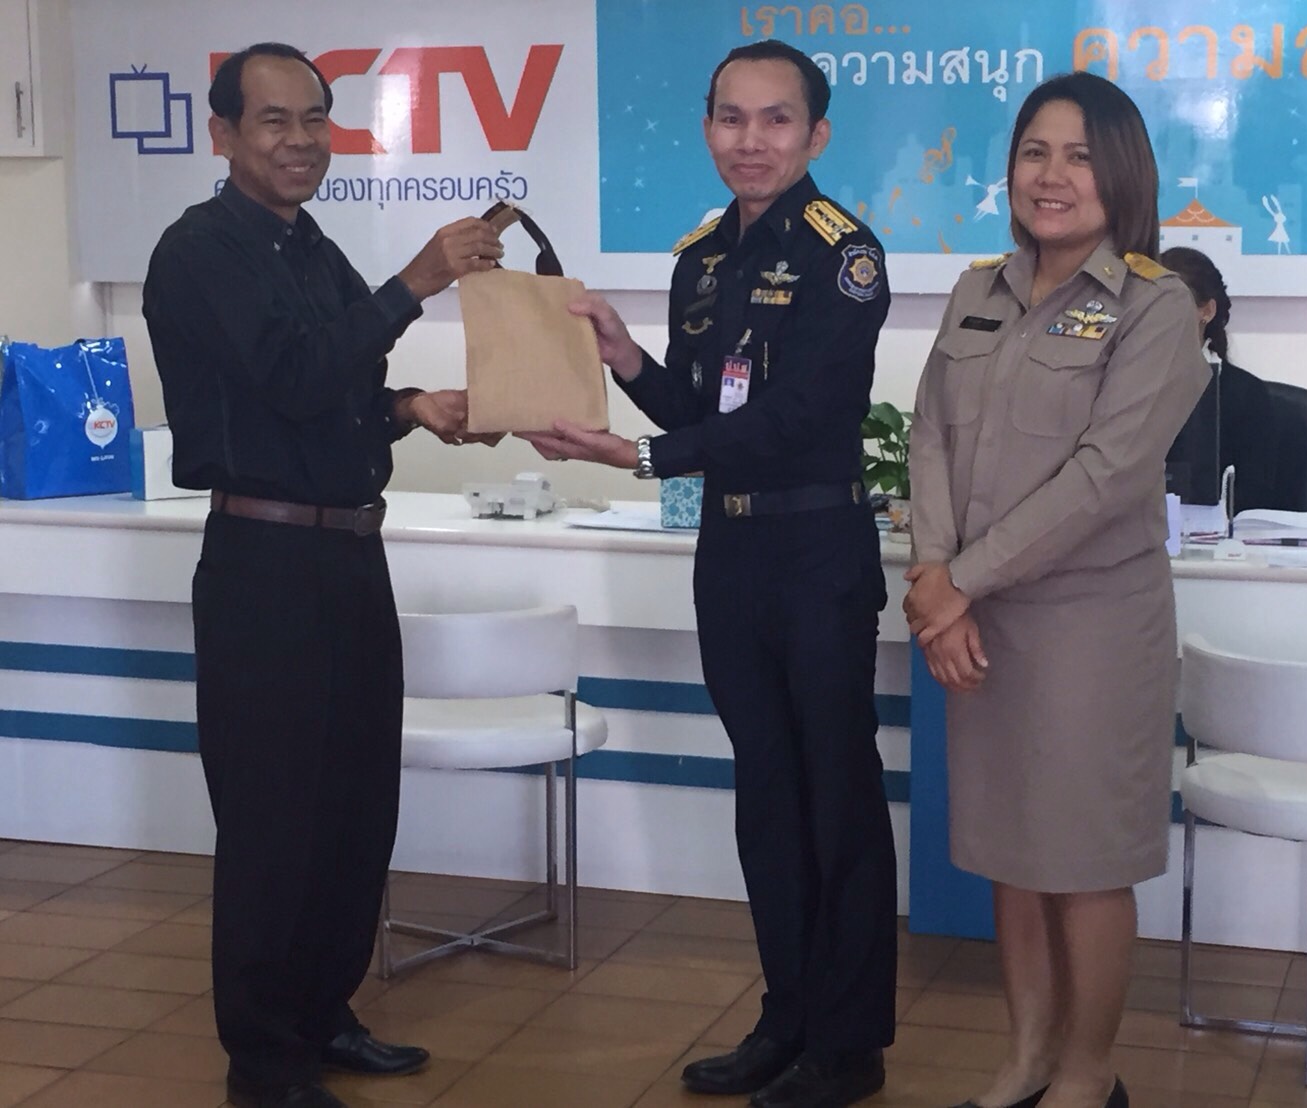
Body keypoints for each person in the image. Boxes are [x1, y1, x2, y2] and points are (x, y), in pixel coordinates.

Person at [521, 39, 896, 1108]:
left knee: (835, 797)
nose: (751, 140)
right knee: (766, 794)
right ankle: (786, 1019)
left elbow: (795, 420)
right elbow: (704, 410)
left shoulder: (843, 256)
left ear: (816, 135)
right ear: (705, 128)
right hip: (730, 558)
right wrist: (624, 358)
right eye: (731, 118)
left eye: (776, 119)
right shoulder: (700, 259)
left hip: (817, 554)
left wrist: (638, 457)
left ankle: (847, 1046)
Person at [141, 42, 504, 1108]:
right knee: (274, 819)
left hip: (347, 554)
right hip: (264, 566)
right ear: (222, 134)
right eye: (274, 121)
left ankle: (322, 1011)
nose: (300, 142)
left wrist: (412, 408)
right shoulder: (199, 250)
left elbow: (340, 387)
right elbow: (291, 376)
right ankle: (265, 1061)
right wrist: (416, 281)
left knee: (354, 802)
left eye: (314, 119)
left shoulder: (309, 245)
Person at [903, 72, 1209, 1108]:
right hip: (980, 617)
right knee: (1012, 851)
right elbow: (930, 436)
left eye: (1078, 156)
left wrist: (956, 583)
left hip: (1090, 625)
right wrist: (934, 576)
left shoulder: (1155, 308)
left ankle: (1086, 1073)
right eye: (1034, 151)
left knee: (1082, 858)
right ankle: (1025, 1059)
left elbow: (1103, 478)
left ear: (1120, 174)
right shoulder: (977, 291)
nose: (1051, 175)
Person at [1162, 246, 1280, 512]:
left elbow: (1254, 494)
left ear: (1206, 311)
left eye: (1171, 305)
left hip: (1216, 533)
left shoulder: (1246, 395)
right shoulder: (1124, 385)